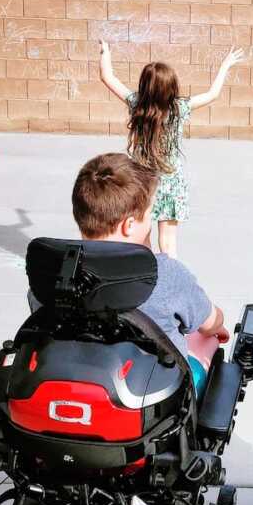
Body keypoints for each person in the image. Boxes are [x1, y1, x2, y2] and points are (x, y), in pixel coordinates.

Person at [69, 152, 230, 396]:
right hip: (150, 400)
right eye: (150, 214)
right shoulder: (165, 274)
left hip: (82, 379)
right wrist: (218, 324)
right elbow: (210, 322)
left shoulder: (61, 270)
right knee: (207, 340)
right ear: (129, 225)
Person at [99, 40, 245, 259]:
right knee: (169, 243)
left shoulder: (137, 105)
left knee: (143, 239)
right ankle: (171, 280)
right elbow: (212, 94)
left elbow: (107, 77)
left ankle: (147, 280)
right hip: (171, 181)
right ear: (171, 88)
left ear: (144, 85)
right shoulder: (179, 109)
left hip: (143, 182)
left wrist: (105, 53)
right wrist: (225, 65)